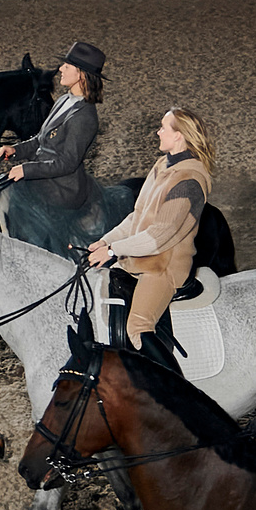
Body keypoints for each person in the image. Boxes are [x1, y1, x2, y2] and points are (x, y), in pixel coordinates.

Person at [85, 107, 215, 374]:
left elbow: (158, 237)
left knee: (137, 326)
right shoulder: (163, 166)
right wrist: (104, 241)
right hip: (139, 257)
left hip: (163, 266)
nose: (158, 132)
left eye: (163, 127)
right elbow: (137, 217)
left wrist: (113, 251)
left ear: (179, 136)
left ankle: (176, 390)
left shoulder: (189, 180)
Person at [0, 42, 105, 256]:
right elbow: (40, 139)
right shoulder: (65, 100)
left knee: (14, 199)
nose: (60, 69)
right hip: (44, 176)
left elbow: (67, 163)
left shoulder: (84, 116)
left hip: (62, 189)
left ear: (82, 75)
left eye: (68, 66)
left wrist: (27, 170)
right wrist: (16, 151)